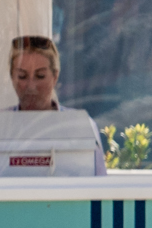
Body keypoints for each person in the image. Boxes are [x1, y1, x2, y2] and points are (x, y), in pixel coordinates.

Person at [9, 34, 106, 172]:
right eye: (22, 76)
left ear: (55, 76)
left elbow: (98, 187)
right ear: (12, 77)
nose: (31, 86)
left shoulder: (80, 127)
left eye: (40, 76)